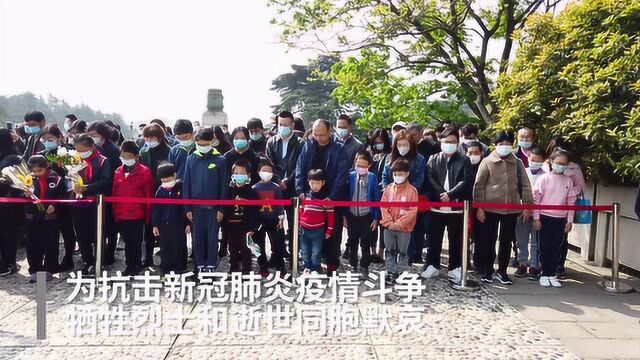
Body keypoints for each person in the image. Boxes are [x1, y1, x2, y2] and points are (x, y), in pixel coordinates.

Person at [473, 131, 533, 285]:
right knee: (489, 240)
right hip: (490, 208)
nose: (504, 147)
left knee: (506, 241)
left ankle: (503, 271)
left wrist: (527, 205)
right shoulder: (487, 161)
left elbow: (525, 185)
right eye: (501, 144)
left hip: (511, 208)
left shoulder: (517, 162)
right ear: (496, 145)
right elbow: (479, 185)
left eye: (507, 144)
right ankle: (488, 270)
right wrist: (479, 206)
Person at [295, 119, 349, 274]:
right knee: (311, 230)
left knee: (333, 230)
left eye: (322, 135)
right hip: (311, 195)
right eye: (315, 134)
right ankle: (311, 264)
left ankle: (332, 263)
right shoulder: (308, 145)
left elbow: (342, 174)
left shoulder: (339, 149)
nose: (318, 138)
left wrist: (332, 197)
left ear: (329, 132)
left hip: (331, 195)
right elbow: (300, 168)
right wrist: (300, 191)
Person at [421, 127, 473, 282]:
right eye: (446, 141)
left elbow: (466, 180)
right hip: (437, 205)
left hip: (456, 206)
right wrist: (441, 194)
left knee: (455, 238)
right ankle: (432, 265)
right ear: (441, 142)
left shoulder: (464, 160)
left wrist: (450, 195)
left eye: (453, 142)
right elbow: (429, 177)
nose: (449, 144)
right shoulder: (433, 158)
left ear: (457, 143)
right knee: (434, 237)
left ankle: (454, 267)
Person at [183, 128, 228, 274]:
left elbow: (224, 186)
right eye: (199, 144)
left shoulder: (220, 160)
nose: (202, 146)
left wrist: (222, 209)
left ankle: (210, 267)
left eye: (205, 144)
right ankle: (199, 266)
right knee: (197, 239)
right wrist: (187, 208)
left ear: (211, 141)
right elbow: (187, 184)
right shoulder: (191, 159)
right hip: (196, 208)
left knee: (212, 239)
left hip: (213, 209)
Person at [36, 124, 77, 271]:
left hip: (63, 195)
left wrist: (64, 166)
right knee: (48, 229)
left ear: (59, 137)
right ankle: (49, 259)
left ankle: (68, 257)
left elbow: (74, 172)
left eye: (50, 138)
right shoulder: (41, 154)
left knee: (66, 228)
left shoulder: (68, 152)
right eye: (44, 138)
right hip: (45, 196)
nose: (47, 141)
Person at [533, 149, 577, 288]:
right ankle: (544, 273)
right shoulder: (544, 178)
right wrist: (536, 218)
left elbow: (571, 202)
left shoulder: (568, 180)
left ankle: (552, 273)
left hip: (560, 219)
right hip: (545, 217)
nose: (560, 165)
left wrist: (569, 220)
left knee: (556, 247)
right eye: (558, 162)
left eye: (564, 163)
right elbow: (536, 200)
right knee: (544, 246)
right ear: (551, 162)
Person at [381, 129, 426, 264]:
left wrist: (407, 191)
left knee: (407, 239)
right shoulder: (389, 158)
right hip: (391, 199)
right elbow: (384, 176)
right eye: (399, 145)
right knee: (390, 239)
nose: (402, 148)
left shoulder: (419, 159)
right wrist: (388, 190)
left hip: (409, 201)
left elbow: (420, 179)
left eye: (405, 144)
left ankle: (405, 265)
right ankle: (390, 266)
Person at [544, 137, 586, 279]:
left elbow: (580, 188)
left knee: (561, 238)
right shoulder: (544, 165)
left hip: (565, 208)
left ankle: (558, 265)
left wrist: (566, 191)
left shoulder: (573, 168)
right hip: (544, 208)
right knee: (543, 238)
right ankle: (543, 265)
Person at [70, 135, 111, 276]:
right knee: (81, 234)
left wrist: (87, 188)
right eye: (77, 149)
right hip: (78, 203)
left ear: (92, 147)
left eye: (83, 149)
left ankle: (99, 260)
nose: (80, 152)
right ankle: (87, 261)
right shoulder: (73, 160)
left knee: (97, 233)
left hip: (96, 203)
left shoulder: (102, 161)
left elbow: (105, 181)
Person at [266, 111, 304, 260]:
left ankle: (294, 253)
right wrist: (278, 180)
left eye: (286, 125)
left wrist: (287, 181)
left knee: (294, 223)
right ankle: (278, 253)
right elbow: (269, 163)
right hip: (275, 188)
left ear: (292, 125)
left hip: (293, 187)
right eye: (280, 124)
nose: (283, 127)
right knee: (276, 221)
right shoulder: (271, 142)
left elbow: (301, 165)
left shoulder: (301, 144)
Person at [111, 141, 154, 276]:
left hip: (137, 214)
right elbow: (114, 192)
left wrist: (148, 215)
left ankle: (136, 264)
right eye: (123, 156)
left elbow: (148, 193)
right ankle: (129, 265)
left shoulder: (144, 171)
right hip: (122, 213)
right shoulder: (118, 171)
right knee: (127, 242)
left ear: (136, 157)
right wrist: (115, 213)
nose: (125, 159)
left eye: (128, 156)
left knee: (136, 242)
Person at [23, 155, 66, 282]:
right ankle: (35, 268)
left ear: (46, 166)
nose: (37, 174)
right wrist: (24, 194)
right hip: (32, 216)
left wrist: (54, 204)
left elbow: (62, 195)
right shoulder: (29, 178)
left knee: (50, 243)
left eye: (39, 171)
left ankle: (50, 268)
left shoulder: (56, 179)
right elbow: (19, 193)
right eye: (34, 171)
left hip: (50, 217)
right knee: (32, 243)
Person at [87, 121, 121, 266]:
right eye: (90, 135)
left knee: (110, 225)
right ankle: (100, 251)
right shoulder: (94, 148)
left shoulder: (112, 149)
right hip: (95, 190)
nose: (92, 137)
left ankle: (110, 252)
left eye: (94, 135)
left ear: (103, 135)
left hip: (109, 191)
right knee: (98, 225)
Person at [380, 159, 418, 284]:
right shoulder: (388, 189)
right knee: (389, 250)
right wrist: (389, 222)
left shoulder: (412, 191)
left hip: (404, 229)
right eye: (395, 174)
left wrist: (399, 224)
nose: (397, 176)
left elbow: (412, 211)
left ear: (407, 174)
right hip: (388, 227)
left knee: (403, 252)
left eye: (400, 174)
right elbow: (383, 206)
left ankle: (401, 273)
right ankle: (389, 271)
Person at [139, 123, 171, 267]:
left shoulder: (168, 151)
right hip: (147, 193)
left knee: (164, 227)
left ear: (159, 137)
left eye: (151, 138)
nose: (149, 141)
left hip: (164, 192)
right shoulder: (144, 152)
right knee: (148, 227)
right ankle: (148, 257)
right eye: (146, 138)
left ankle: (166, 256)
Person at [345, 150, 381, 277]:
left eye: (364, 166)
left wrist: (376, 218)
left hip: (367, 215)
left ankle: (364, 266)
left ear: (369, 165)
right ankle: (353, 264)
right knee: (352, 240)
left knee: (365, 242)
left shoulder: (372, 177)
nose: (361, 168)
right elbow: (345, 196)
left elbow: (376, 198)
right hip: (352, 215)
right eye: (358, 165)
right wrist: (345, 215)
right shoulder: (350, 176)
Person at [514, 147, 547, 280]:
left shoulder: (545, 176)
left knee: (535, 241)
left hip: (537, 213)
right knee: (521, 239)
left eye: (538, 161)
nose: (535, 162)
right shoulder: (522, 172)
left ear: (543, 161)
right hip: (521, 211)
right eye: (532, 160)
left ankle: (534, 265)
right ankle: (522, 263)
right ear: (528, 158)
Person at [152, 163, 189, 276]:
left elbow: (186, 207)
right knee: (165, 247)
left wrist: (188, 223)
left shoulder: (181, 187)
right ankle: (166, 269)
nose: (165, 182)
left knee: (179, 245)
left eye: (168, 178)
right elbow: (156, 208)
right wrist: (155, 224)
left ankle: (179, 268)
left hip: (178, 223)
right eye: (163, 180)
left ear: (174, 175)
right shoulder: (160, 190)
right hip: (163, 224)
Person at [252, 160, 286, 276]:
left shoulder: (276, 188)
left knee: (277, 243)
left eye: (269, 171)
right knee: (259, 244)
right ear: (258, 172)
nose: (267, 173)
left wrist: (281, 219)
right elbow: (252, 206)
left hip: (274, 219)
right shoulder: (255, 188)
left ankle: (279, 264)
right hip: (259, 220)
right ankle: (262, 265)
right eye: (264, 171)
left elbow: (279, 205)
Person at [225, 160, 259, 274]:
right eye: (236, 173)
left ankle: (246, 269)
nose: (239, 175)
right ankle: (233, 267)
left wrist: (252, 228)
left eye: (242, 173)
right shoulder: (229, 190)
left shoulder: (252, 192)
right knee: (232, 248)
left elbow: (255, 211)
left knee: (246, 248)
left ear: (248, 175)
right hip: (231, 225)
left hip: (245, 225)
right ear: (232, 174)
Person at [299, 169, 334, 275]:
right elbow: (300, 210)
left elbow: (330, 214)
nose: (315, 185)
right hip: (304, 228)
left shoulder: (326, 199)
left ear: (323, 183)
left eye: (317, 183)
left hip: (318, 230)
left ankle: (315, 267)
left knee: (316, 251)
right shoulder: (305, 196)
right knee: (304, 250)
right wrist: (298, 224)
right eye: (312, 182)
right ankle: (307, 266)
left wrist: (329, 230)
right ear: (308, 182)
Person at [0, 129, 24, 276]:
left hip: (8, 204)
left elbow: (11, 182)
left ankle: (9, 263)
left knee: (7, 234)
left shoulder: (12, 159)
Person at [369, 128, 392, 262]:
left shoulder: (389, 155)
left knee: (383, 223)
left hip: (384, 193)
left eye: (381, 142)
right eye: (376, 142)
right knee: (372, 223)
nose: (378, 144)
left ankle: (381, 252)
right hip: (371, 194)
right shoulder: (370, 154)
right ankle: (372, 251)